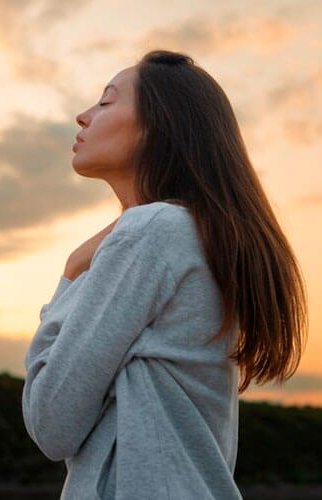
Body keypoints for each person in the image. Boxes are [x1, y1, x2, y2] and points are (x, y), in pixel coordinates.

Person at [22, 49, 308, 499]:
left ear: (156, 125)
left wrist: (72, 273)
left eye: (105, 102)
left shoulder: (153, 232)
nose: (83, 116)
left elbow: (51, 421)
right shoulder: (201, 237)